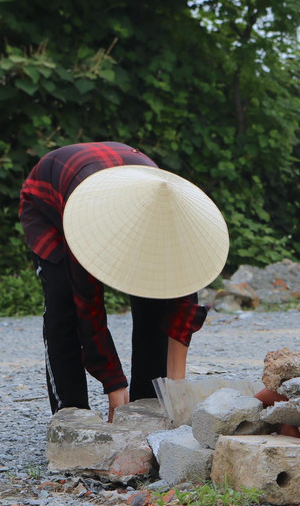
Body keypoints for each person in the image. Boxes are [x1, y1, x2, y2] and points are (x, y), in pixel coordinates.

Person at [19, 141, 228, 421]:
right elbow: (88, 306)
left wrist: (175, 394)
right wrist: (114, 388)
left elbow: (182, 308)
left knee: (157, 297)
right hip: (54, 194)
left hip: (124, 177)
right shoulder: (90, 224)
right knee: (64, 300)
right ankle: (69, 414)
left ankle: (147, 404)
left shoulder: (176, 226)